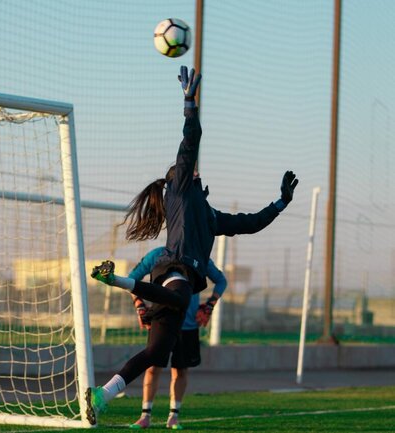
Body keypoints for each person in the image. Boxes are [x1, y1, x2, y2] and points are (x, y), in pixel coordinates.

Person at [84, 65, 298, 425]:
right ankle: (116, 280)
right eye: (188, 167)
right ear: (178, 180)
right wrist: (189, 103)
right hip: (173, 271)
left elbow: (251, 222)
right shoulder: (180, 190)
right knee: (183, 299)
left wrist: (281, 203)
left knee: (157, 352)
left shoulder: (211, 216)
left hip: (176, 282)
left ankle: (101, 395)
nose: (194, 168)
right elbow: (191, 139)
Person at [127, 247, 227, 430]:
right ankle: (145, 416)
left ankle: (174, 417)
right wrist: (139, 305)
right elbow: (131, 279)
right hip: (162, 322)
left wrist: (209, 305)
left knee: (180, 371)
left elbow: (221, 281)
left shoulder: (199, 256)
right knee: (152, 369)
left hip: (188, 326)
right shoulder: (157, 255)